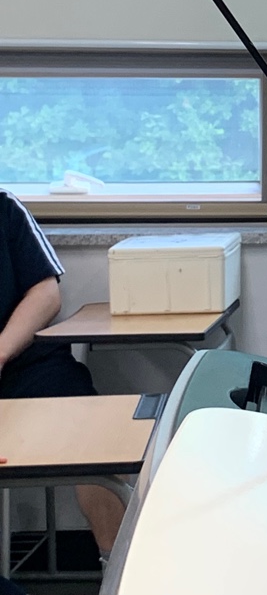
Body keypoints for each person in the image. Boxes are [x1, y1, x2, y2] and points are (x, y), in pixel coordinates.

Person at [0, 189, 125, 565]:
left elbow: (45, 293)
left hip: (22, 363)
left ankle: (117, 567)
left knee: (91, 426)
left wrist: (1, 351)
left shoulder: (6, 210)